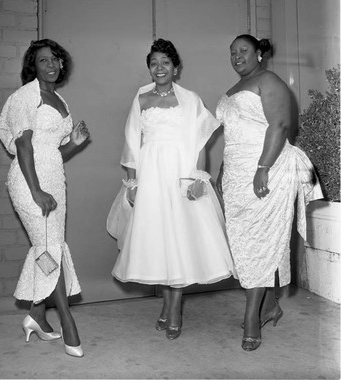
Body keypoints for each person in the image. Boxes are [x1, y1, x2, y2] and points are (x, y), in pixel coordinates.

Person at [107, 38, 236, 340]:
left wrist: (197, 179)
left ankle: (174, 309)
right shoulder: (140, 98)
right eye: (154, 63)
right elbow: (131, 144)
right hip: (151, 176)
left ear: (176, 68)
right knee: (159, 241)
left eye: (166, 62)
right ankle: (168, 306)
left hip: (180, 175)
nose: (160, 67)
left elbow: (199, 142)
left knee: (179, 240)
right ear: (149, 69)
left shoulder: (190, 99)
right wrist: (133, 183)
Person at [216, 34, 322, 352]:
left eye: (244, 51)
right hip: (235, 175)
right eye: (232, 52)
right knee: (243, 246)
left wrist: (262, 168)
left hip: (265, 169)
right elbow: (233, 135)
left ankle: (252, 319)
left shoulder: (269, 80)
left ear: (259, 54)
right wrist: (223, 170)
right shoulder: (232, 89)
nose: (237, 56)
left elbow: (279, 125)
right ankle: (270, 304)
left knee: (258, 245)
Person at [0, 39, 90, 358]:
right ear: (32, 67)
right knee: (47, 247)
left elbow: (53, 152)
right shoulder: (26, 96)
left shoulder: (59, 99)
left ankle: (36, 315)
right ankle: (66, 319)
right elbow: (24, 147)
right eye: (42, 61)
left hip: (53, 177)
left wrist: (74, 143)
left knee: (48, 247)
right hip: (28, 180)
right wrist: (36, 191)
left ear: (62, 63)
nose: (50, 65)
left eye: (55, 59)